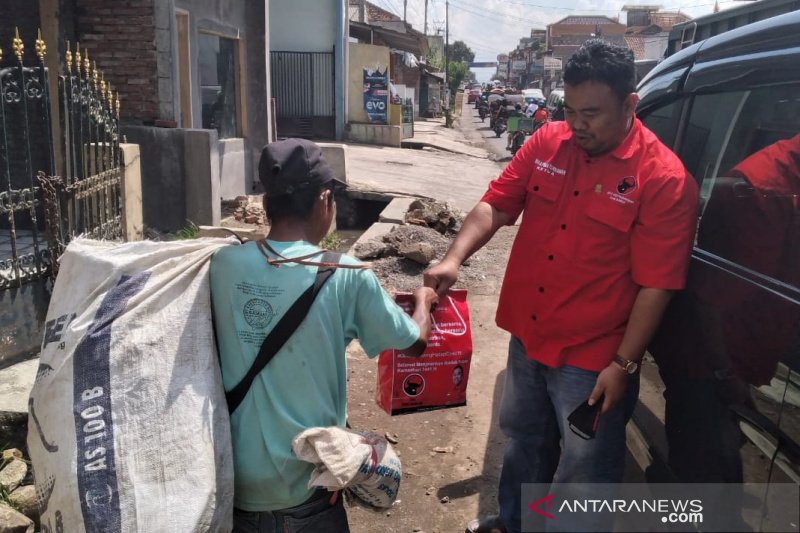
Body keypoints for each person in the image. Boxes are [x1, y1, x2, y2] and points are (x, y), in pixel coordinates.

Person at [424, 40, 698, 533]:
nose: (576, 124)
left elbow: (657, 285)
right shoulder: (547, 142)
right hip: (529, 338)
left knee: (583, 471)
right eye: (569, 110)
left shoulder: (663, 179)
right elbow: (497, 205)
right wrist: (452, 259)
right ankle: (515, 523)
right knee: (524, 440)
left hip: (592, 360)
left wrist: (624, 364)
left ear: (630, 104)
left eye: (591, 113)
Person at [210, 138, 439, 533]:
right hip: (307, 484)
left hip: (232, 478)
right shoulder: (348, 275)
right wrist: (424, 302)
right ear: (324, 202)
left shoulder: (222, 264)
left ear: (266, 203)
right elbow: (415, 343)